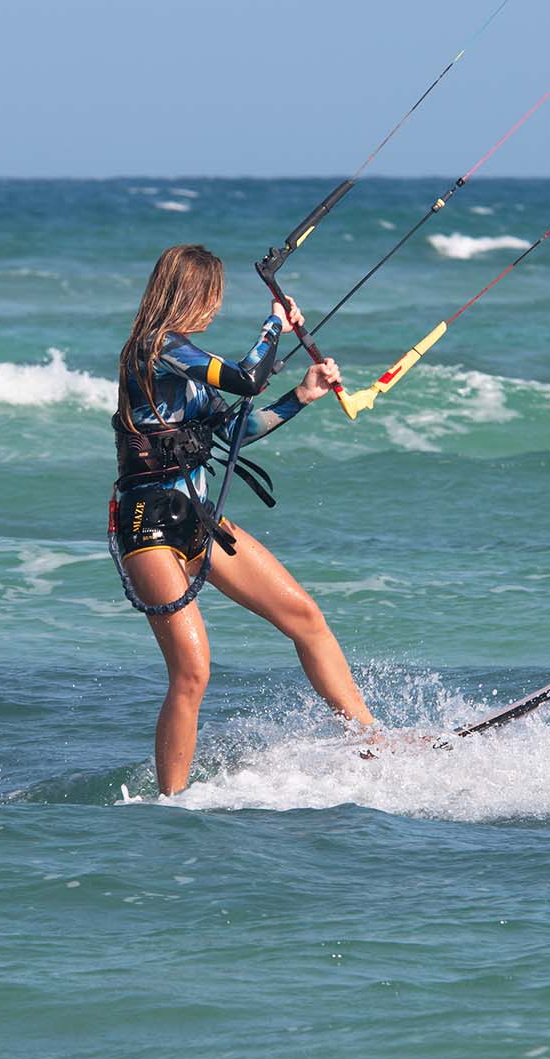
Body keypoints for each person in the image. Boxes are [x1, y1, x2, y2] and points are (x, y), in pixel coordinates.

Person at [110, 243, 377, 795]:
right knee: (192, 671)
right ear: (189, 293)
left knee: (304, 616)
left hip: (197, 517)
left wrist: (301, 396)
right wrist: (272, 325)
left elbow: (234, 432)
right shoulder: (154, 349)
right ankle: (172, 802)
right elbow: (245, 378)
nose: (213, 308)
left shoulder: (184, 365)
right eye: (211, 297)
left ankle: (372, 740)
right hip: (149, 524)